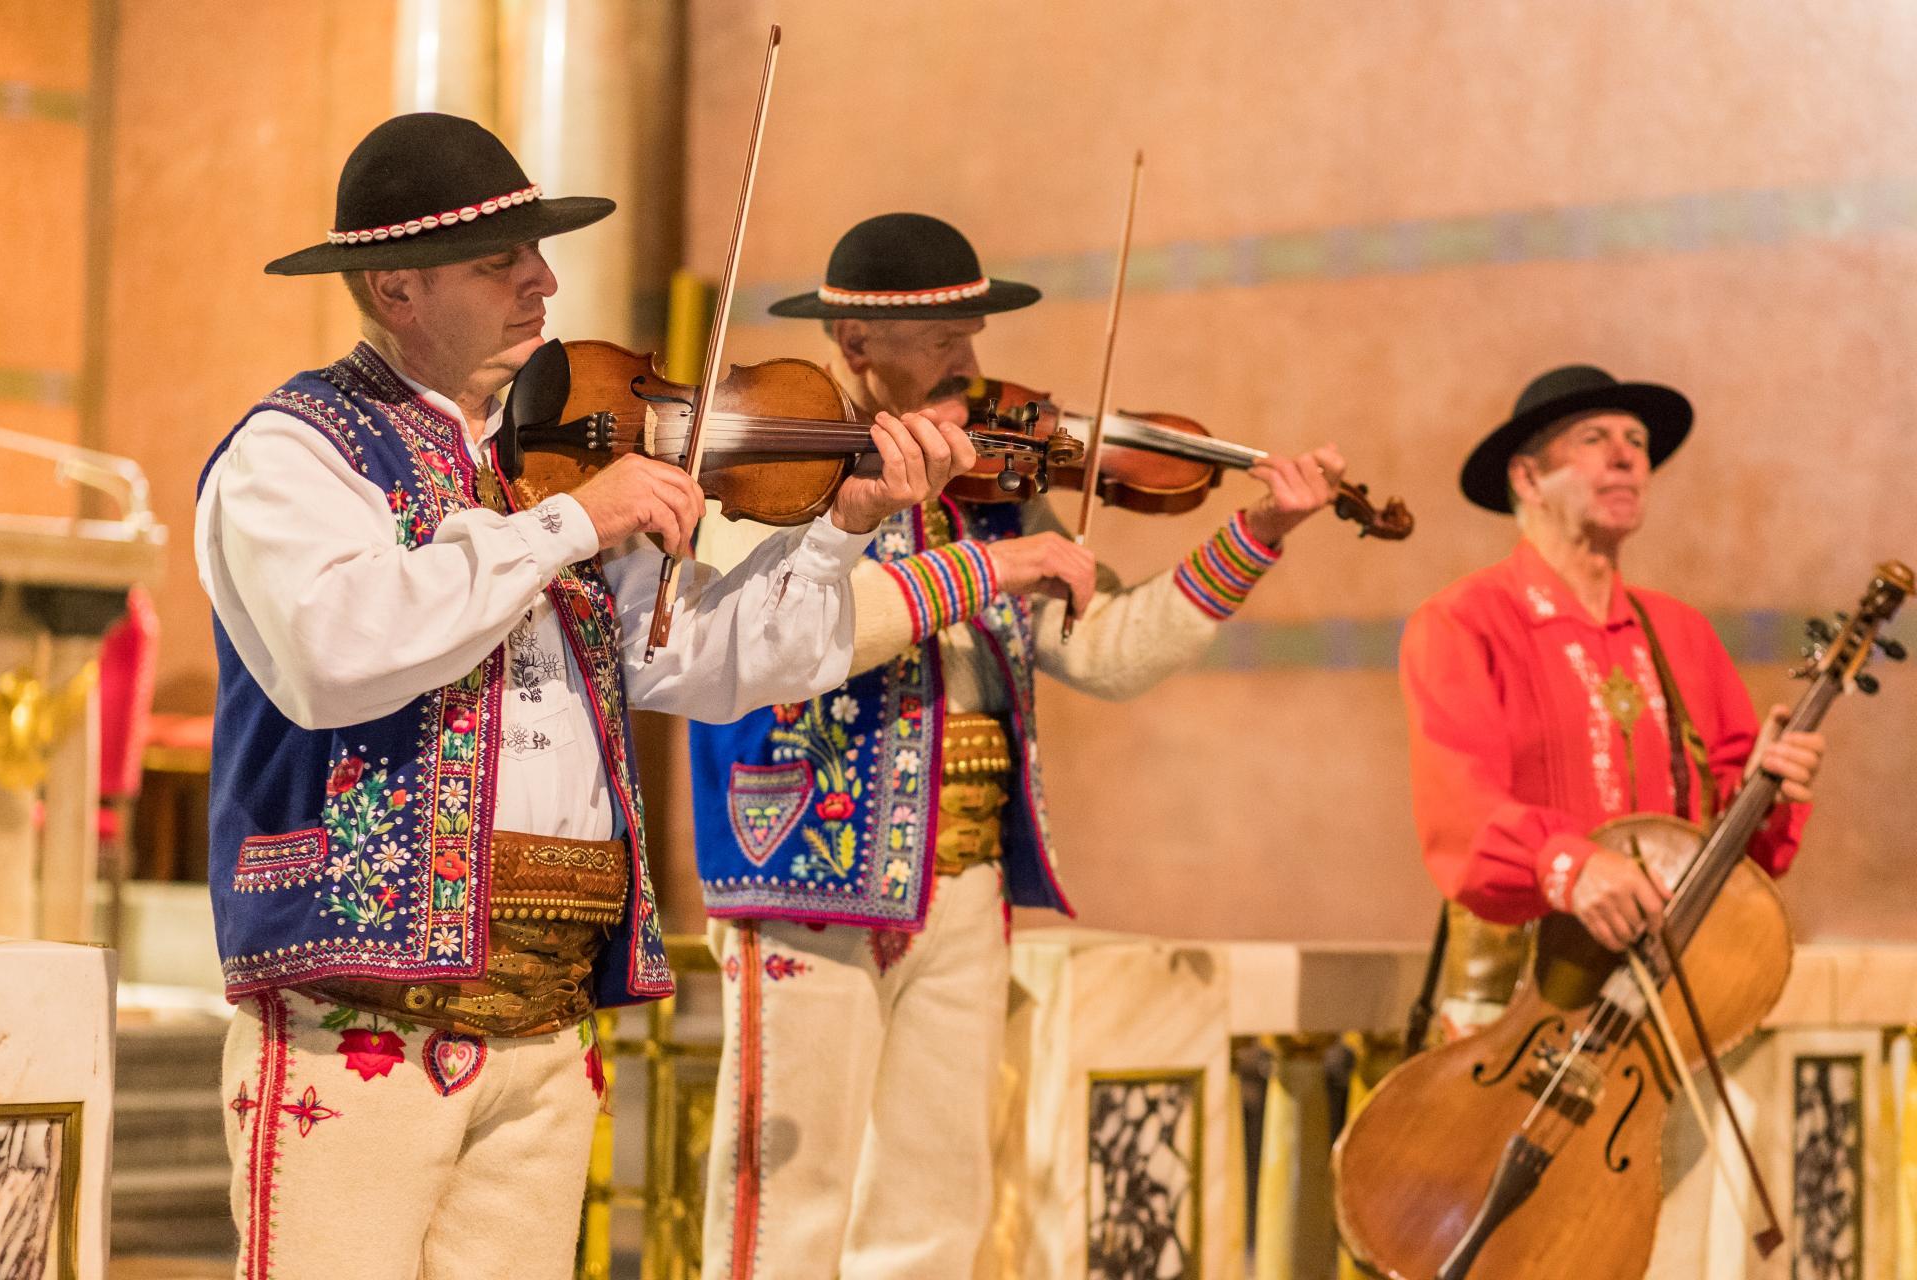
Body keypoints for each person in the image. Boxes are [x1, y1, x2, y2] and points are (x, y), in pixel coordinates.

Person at [196, 114, 972, 1280]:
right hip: (358, 1002)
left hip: (552, 1000)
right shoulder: (298, 452)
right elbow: (333, 648)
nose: (542, 281)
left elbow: (707, 661)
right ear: (397, 285)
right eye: (498, 261)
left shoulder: (553, 452)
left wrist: (839, 535)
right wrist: (570, 523)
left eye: (537, 255)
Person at [688, 211, 1346, 1278]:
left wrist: (1254, 535)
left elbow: (1107, 651)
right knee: (785, 1204)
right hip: (802, 864)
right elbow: (786, 637)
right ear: (857, 346)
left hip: (963, 877)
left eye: (973, 334)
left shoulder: (985, 498)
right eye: (946, 338)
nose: (974, 365)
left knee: (936, 1202)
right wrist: (991, 569)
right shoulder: (772, 465)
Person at [1400, 364, 1826, 1043]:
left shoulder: (1683, 632)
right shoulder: (1464, 621)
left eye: (1637, 440)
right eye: (1594, 438)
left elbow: (1737, 846)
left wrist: (1761, 794)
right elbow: (1462, 814)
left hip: (1669, 999)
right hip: (1520, 1010)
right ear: (1528, 479)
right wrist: (1572, 866)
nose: (1629, 454)